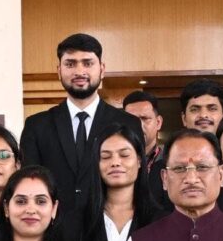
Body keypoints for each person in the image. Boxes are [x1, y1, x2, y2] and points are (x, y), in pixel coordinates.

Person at [21, 34, 143, 218]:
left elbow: (139, 184)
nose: (79, 71)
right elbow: (30, 185)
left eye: (87, 63)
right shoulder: (36, 125)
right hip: (55, 227)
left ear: (102, 69)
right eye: (70, 64)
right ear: (59, 71)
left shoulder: (128, 123)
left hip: (111, 225)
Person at [123, 90, 168, 170]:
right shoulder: (115, 161)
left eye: (145, 118)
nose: (138, 125)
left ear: (158, 122)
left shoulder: (171, 160)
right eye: (131, 120)